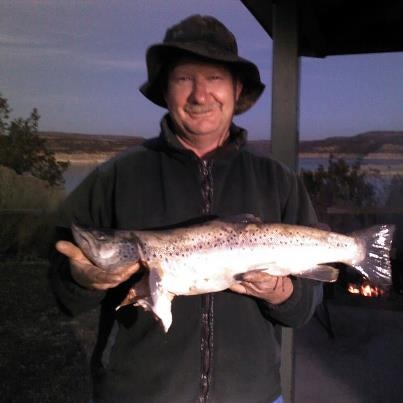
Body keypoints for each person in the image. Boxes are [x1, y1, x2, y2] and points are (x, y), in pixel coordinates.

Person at [50, 14, 322, 403]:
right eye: (184, 79)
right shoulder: (114, 177)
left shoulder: (279, 182)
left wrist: (281, 291)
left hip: (253, 394)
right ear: (166, 89)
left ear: (236, 88)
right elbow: (61, 288)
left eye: (214, 78)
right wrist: (83, 281)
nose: (199, 95)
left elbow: (304, 308)